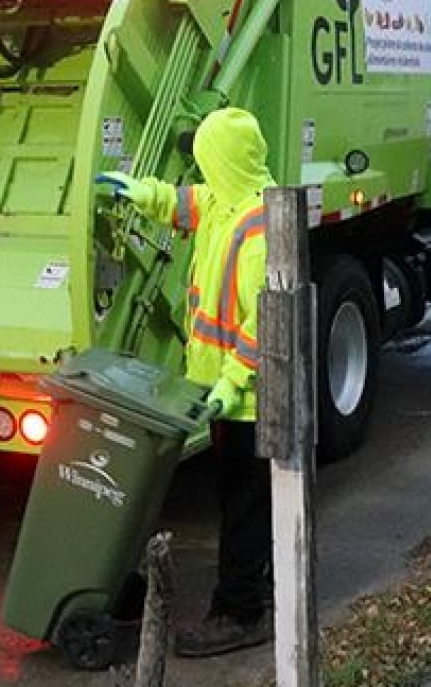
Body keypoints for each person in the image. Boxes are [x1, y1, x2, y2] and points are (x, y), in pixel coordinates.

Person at [97, 106, 274, 658]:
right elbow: (184, 204)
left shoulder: (260, 228)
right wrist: (140, 192)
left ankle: (241, 614)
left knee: (244, 506)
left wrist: (232, 384)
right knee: (237, 500)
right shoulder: (225, 200)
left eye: (204, 158)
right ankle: (253, 595)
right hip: (218, 393)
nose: (200, 171)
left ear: (223, 161)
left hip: (247, 402)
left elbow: (262, 324)